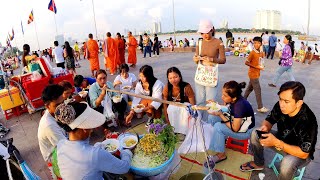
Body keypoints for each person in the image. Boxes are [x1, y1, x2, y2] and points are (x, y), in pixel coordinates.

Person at [240, 81, 318, 180]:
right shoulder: (280, 106)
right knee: (255, 133)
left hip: (298, 153)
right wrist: (265, 127)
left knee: (287, 163)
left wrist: (278, 143)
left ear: (299, 103)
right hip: (280, 140)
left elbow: (304, 153)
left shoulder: (308, 120)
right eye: (280, 99)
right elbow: (269, 120)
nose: (281, 104)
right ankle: (258, 163)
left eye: (286, 101)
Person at [54, 102, 132, 179]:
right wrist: (126, 151)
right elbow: (124, 168)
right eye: (91, 126)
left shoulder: (61, 144)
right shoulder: (94, 154)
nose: (93, 129)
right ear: (84, 128)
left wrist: (99, 145)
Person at [207, 81, 255, 164]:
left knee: (218, 126)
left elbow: (235, 128)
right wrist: (215, 105)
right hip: (237, 122)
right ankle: (218, 140)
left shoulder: (239, 106)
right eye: (222, 94)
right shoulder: (234, 98)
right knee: (212, 117)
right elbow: (227, 108)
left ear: (234, 98)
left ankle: (221, 155)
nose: (222, 97)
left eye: (225, 96)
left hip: (245, 132)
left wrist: (221, 115)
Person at [193, 19, 226, 119]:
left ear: (212, 30)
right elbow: (196, 59)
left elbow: (223, 60)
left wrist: (211, 59)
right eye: (202, 33)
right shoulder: (200, 42)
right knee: (199, 101)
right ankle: (199, 122)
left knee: (210, 101)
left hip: (211, 74)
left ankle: (209, 123)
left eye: (207, 32)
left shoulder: (218, 42)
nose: (205, 35)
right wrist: (195, 59)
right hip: (201, 73)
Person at [37, 85, 66, 163]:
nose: (62, 107)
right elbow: (66, 148)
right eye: (57, 105)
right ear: (47, 106)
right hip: (54, 159)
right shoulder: (49, 125)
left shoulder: (56, 113)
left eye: (63, 102)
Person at [163, 67, 195, 135]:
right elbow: (165, 104)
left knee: (185, 112)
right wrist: (166, 117)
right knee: (171, 109)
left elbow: (192, 104)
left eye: (175, 77)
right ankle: (174, 130)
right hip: (174, 108)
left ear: (180, 76)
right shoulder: (167, 87)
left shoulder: (187, 87)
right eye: (170, 78)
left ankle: (185, 132)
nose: (173, 80)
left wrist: (193, 116)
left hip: (185, 108)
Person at [244, 37, 269, 113]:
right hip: (252, 74)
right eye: (254, 43)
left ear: (261, 43)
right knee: (258, 90)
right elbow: (246, 62)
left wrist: (261, 66)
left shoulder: (259, 52)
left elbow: (261, 61)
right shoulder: (252, 53)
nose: (256, 45)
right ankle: (260, 107)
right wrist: (256, 67)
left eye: (258, 43)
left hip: (257, 73)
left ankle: (243, 101)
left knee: (249, 89)